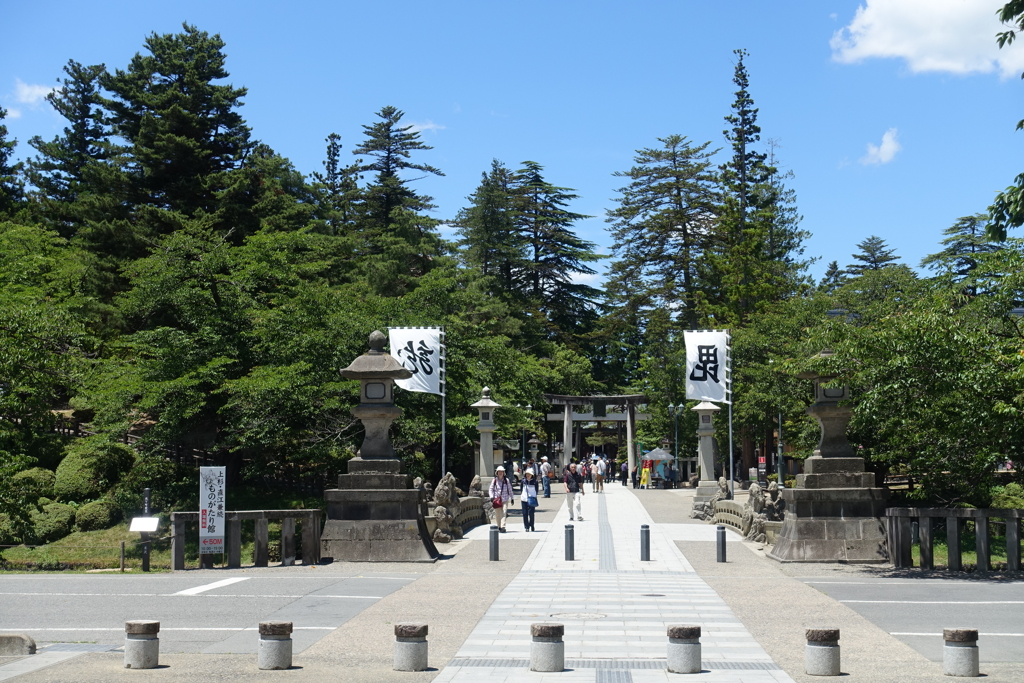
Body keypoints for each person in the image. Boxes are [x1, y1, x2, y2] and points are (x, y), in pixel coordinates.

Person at [489, 466, 514, 532]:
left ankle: (503, 526)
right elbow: (491, 489)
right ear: (497, 472)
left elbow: (510, 489)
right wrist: (491, 497)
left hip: (505, 499)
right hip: (497, 500)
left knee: (504, 512)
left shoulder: (506, 480)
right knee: (497, 514)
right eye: (499, 471)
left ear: (503, 473)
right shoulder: (494, 480)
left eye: (501, 472)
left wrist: (512, 498)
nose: (500, 473)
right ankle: (499, 526)